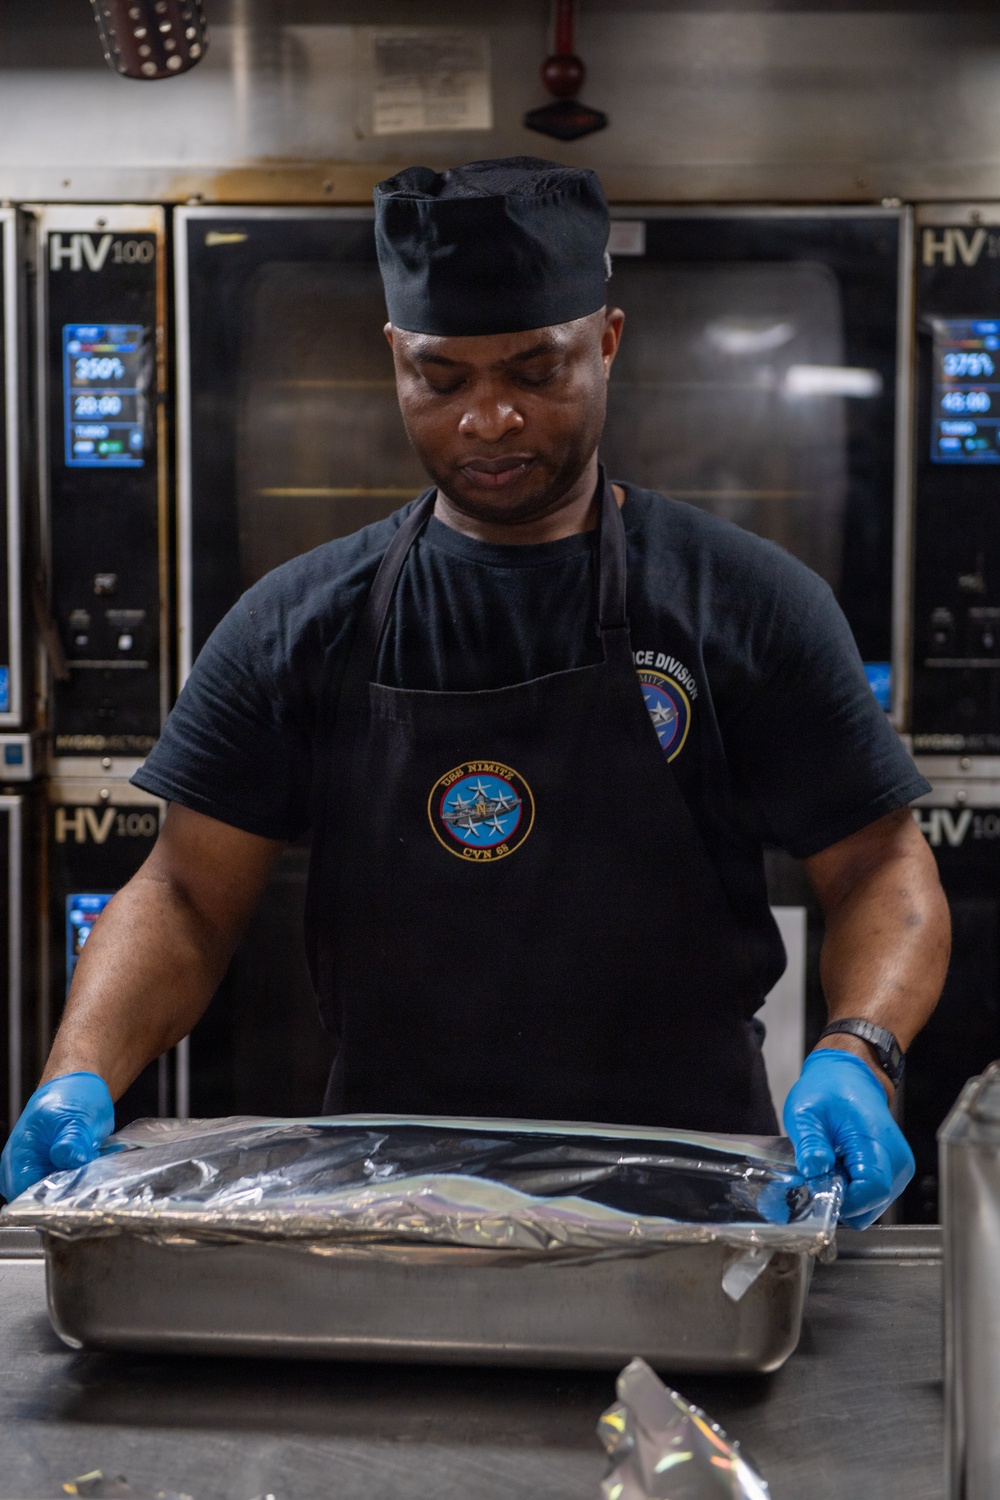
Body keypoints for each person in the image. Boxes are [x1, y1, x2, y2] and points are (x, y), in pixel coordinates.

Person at [2, 158, 949, 1229]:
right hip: (381, 1202)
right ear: (395, 361)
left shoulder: (747, 601)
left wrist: (856, 1049)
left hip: (698, 1194)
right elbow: (182, 896)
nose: (489, 419)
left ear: (607, 344)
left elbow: (878, 864)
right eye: (442, 379)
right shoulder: (295, 623)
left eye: (535, 372)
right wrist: (77, 1069)